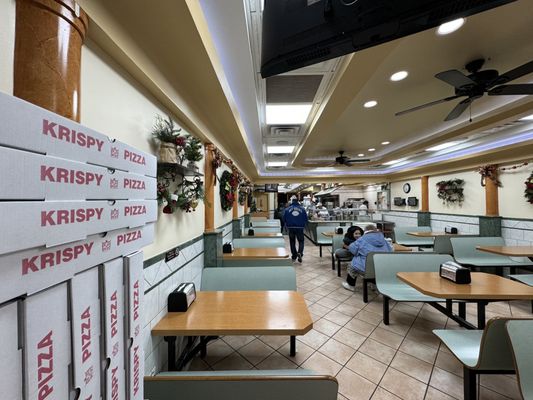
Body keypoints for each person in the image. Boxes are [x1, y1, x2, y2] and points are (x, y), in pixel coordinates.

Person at [342, 224, 392, 292]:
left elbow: (353, 250)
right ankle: (374, 285)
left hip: (366, 268)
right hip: (382, 267)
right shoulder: (384, 239)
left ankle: (350, 285)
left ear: (365, 231)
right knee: (373, 266)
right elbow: (390, 250)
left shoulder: (362, 239)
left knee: (353, 264)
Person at [283, 195, 308, 262]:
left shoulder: (287, 209)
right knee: (301, 241)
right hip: (300, 228)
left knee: (292, 242)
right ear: (298, 202)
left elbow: (284, 219)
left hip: (291, 228)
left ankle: (294, 255)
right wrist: (305, 226)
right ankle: (300, 253)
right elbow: (306, 219)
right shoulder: (302, 209)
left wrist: (285, 227)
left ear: (291, 201)